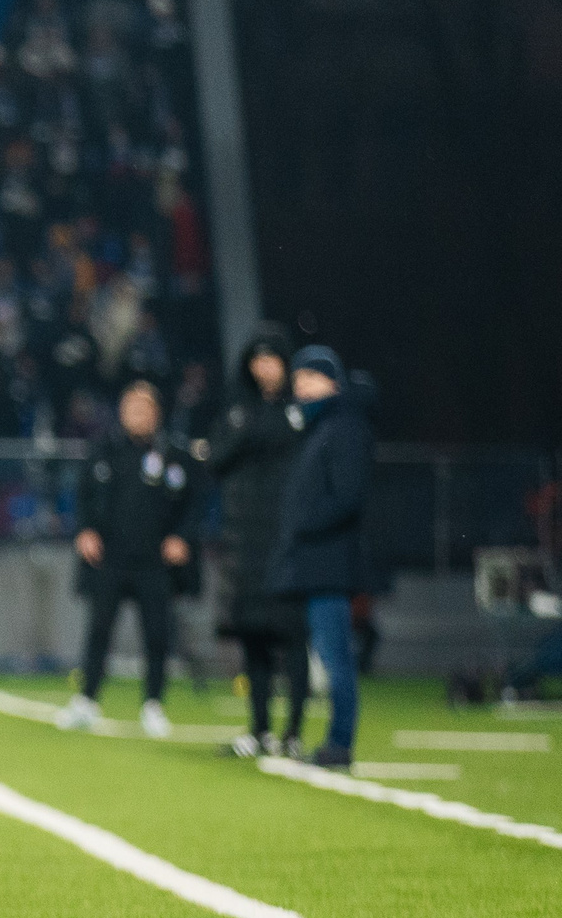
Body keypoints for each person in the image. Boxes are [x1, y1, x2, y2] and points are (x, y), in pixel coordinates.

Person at [60, 379, 201, 737]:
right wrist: (86, 530)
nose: (137, 415)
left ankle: (153, 704)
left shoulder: (173, 455)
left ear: (156, 414)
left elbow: (195, 503)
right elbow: (83, 495)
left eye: (144, 408)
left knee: (157, 634)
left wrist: (181, 537)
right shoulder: (104, 450)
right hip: (110, 558)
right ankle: (87, 700)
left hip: (155, 562)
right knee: (98, 631)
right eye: (131, 408)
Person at [202, 324, 308, 758]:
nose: (265, 368)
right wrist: (245, 429)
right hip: (245, 540)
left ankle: (294, 732)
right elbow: (215, 459)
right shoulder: (237, 412)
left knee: (292, 637)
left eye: (273, 359)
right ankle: (260, 728)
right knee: (253, 637)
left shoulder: (302, 413)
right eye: (258, 360)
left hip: (288, 541)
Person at [269, 346, 375, 769]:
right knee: (328, 657)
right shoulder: (320, 429)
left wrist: (302, 523)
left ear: (334, 382)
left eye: (312, 377)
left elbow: (347, 497)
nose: (302, 386)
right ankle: (334, 740)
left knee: (335, 658)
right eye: (298, 379)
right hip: (316, 564)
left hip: (329, 564)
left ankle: (340, 742)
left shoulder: (344, 427)